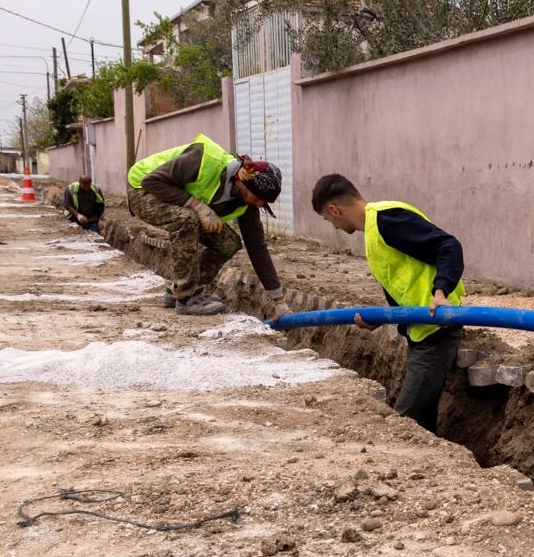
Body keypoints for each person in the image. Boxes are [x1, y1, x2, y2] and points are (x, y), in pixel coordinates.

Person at [309, 173, 464, 434]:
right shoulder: (375, 230)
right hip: (421, 329)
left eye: (327, 218)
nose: (332, 226)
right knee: (421, 421)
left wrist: (441, 292)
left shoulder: (386, 220)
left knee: (403, 425)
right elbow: (404, 283)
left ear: (335, 210)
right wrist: (383, 318)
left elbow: (448, 246)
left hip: (436, 331)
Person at [125, 133, 288, 317]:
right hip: (142, 189)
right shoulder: (203, 160)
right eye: (258, 198)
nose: (259, 204)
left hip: (175, 200)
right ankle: (186, 299)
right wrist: (197, 205)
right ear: (242, 183)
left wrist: (278, 300)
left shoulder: (248, 204)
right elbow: (151, 181)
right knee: (187, 219)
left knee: (228, 243)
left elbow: (258, 248)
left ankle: (178, 291)